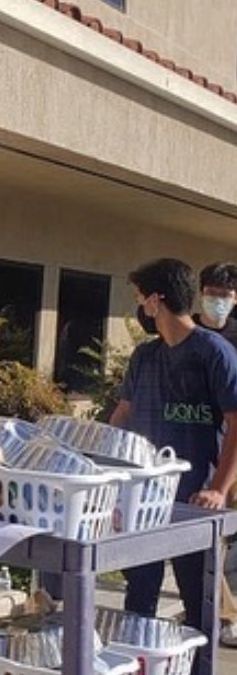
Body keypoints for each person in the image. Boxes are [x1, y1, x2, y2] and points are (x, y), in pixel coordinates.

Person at [110, 258, 237, 633]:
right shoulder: (145, 356)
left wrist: (218, 489)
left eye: (140, 298)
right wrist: (99, 465)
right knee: (139, 596)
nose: (140, 307)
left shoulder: (214, 352)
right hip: (145, 500)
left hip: (195, 498)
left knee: (197, 598)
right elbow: (122, 415)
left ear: (155, 301)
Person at [192, 261, 237, 648]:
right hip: (205, 445)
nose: (217, 301)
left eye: (224, 295)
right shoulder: (188, 332)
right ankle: (226, 615)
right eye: (211, 293)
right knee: (212, 532)